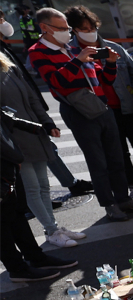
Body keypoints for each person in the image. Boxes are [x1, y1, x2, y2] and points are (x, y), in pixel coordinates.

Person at [29, 7, 133, 221]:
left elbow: (103, 80)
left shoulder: (71, 48)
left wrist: (111, 64)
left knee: (116, 157)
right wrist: (78, 60)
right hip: (78, 110)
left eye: (67, 28)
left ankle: (123, 198)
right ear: (44, 28)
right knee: (98, 161)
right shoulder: (38, 51)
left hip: (101, 106)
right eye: (61, 28)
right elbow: (56, 82)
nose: (67, 32)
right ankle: (109, 204)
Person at [66, 6, 133, 200]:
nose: (90, 32)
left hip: (128, 108)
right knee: (120, 154)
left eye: (92, 27)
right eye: (84, 29)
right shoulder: (71, 53)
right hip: (101, 112)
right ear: (74, 30)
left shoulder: (113, 48)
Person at [0, 52, 86, 247]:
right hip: (13, 139)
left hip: (34, 132)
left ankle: (53, 228)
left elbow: (32, 99)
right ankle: (51, 229)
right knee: (32, 188)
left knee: (43, 186)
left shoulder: (9, 67)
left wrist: (47, 123)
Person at [1, 109, 77, 281]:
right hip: (5, 164)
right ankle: (17, 269)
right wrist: (15, 157)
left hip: (8, 165)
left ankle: (36, 258)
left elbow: (6, 119)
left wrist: (36, 127)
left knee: (17, 213)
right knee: (2, 222)